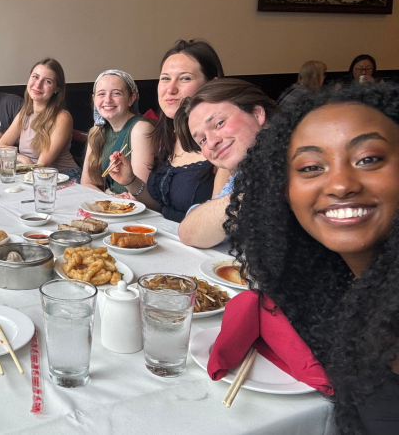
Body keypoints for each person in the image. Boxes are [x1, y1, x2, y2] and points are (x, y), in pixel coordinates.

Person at [225, 83, 399, 435]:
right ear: (282, 191)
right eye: (310, 167)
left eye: (368, 159)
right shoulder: (348, 288)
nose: (340, 184)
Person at [108, 39, 230, 222]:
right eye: (165, 78)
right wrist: (131, 181)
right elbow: (161, 207)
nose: (170, 89)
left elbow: (217, 224)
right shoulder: (169, 137)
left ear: (211, 85)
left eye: (185, 78)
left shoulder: (222, 144)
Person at [174, 79, 278, 248]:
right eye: (202, 140)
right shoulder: (246, 173)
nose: (211, 143)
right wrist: (251, 195)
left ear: (257, 113)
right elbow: (190, 233)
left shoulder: (303, 158)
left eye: (219, 123)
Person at [0, 58, 81, 180]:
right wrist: (19, 157)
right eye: (35, 77)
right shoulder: (25, 112)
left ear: (57, 89)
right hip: (32, 176)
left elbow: (43, 166)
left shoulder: (62, 118)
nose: (38, 84)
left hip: (63, 178)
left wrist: (14, 158)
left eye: (48, 81)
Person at [81, 69, 155, 193]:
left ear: (131, 99)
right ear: (94, 99)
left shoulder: (141, 129)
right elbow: (86, 182)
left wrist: (112, 201)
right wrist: (110, 200)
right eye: (101, 94)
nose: (108, 100)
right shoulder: (97, 131)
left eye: (116, 93)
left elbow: (141, 192)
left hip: (137, 207)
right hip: (115, 204)